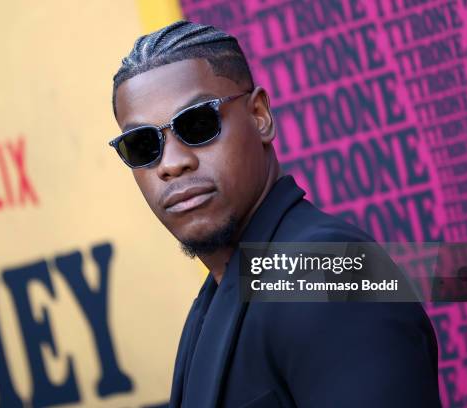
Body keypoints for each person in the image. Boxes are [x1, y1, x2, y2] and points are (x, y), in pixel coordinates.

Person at [109, 20, 441, 408]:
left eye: (198, 124)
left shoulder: (329, 271)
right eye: (142, 144)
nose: (172, 163)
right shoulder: (219, 294)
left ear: (260, 116)